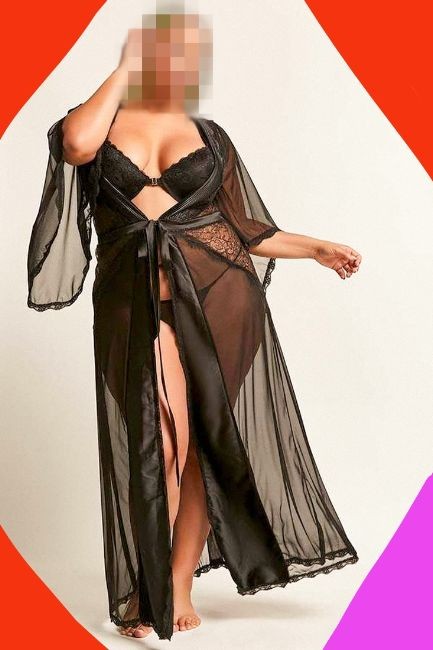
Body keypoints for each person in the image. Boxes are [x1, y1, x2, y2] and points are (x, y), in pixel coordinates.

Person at [27, 11, 362, 641]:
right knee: (160, 444)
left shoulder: (209, 136)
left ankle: (176, 582)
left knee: (205, 445)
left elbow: (245, 229)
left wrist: (316, 248)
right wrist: (124, 70)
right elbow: (75, 147)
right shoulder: (97, 122)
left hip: (221, 305)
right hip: (132, 308)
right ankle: (150, 585)